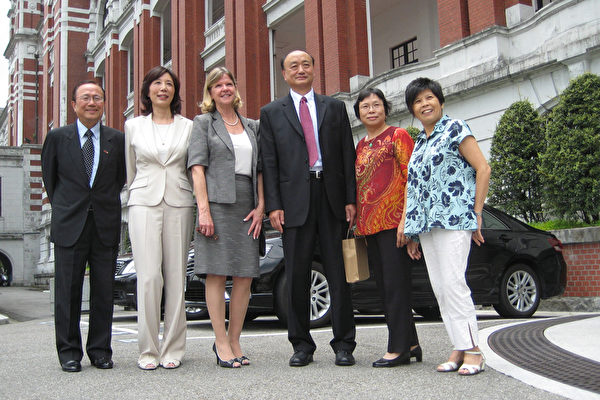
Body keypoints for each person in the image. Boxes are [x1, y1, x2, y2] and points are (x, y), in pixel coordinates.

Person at [260, 50, 357, 367]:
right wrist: (273, 205)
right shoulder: (271, 113)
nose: (300, 69)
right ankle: (301, 344)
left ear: (314, 69)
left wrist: (351, 199)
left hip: (331, 197)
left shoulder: (334, 107)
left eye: (306, 64)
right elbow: (269, 163)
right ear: (284, 74)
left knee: (338, 273)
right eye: (293, 66)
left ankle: (344, 344)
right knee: (297, 275)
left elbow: (347, 154)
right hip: (293, 202)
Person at [397, 77, 491, 376]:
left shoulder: (455, 128)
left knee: (454, 283)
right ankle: (458, 346)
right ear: (412, 109)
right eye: (417, 101)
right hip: (427, 226)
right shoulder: (420, 142)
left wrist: (477, 213)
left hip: (454, 219)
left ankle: (474, 350)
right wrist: (412, 232)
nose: (424, 104)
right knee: (440, 288)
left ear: (440, 100)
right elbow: (414, 188)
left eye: (429, 97)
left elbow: (483, 168)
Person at [41, 80, 126, 372]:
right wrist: (69, 206)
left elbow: (119, 179)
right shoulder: (57, 138)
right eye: (86, 98)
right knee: (67, 292)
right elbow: (51, 180)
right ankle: (69, 352)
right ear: (74, 105)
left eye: (97, 98)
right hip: (70, 224)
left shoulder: (116, 139)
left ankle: (100, 351)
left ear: (104, 103)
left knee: (103, 291)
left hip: (105, 223)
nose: (92, 103)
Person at [188, 67, 264, 368]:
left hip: (248, 205)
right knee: (217, 273)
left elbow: (261, 168)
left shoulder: (252, 125)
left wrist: (261, 206)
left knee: (245, 275)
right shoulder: (203, 123)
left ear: (236, 88)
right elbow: (197, 168)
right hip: (217, 203)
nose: (224, 89)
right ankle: (220, 341)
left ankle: (235, 340)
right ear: (210, 92)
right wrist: (203, 210)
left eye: (229, 83)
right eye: (218, 85)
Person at [125, 66, 195, 370]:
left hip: (179, 201)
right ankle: (148, 350)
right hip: (143, 201)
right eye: (157, 83)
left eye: (169, 84)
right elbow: (131, 170)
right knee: (149, 277)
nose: (163, 88)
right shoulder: (133, 126)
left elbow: (193, 167)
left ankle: (173, 349)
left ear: (175, 91)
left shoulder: (189, 126)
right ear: (147, 90)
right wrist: (135, 194)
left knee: (176, 276)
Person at [353, 88, 421, 367]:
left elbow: (412, 178)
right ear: (358, 113)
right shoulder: (360, 145)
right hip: (370, 227)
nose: (371, 110)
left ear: (385, 108)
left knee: (395, 286)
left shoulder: (398, 135)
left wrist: (407, 221)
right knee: (385, 286)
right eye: (365, 106)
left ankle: (398, 349)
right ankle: (412, 343)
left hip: (395, 223)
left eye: (376, 105)